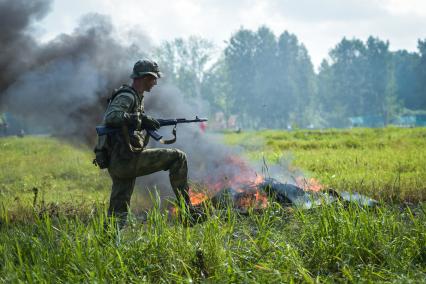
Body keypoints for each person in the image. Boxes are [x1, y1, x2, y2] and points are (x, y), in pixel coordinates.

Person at [99, 59, 192, 227]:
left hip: (120, 160)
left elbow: (129, 123)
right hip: (125, 159)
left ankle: (108, 242)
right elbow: (111, 117)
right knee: (178, 157)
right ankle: (188, 213)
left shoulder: (135, 96)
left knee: (118, 209)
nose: (155, 82)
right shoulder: (127, 96)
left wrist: (144, 121)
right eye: (153, 78)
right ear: (145, 77)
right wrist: (140, 120)